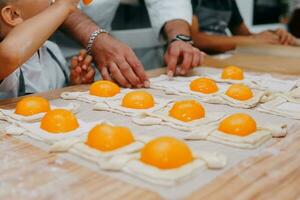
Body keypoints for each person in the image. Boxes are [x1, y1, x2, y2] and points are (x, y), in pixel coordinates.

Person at [55, 0, 204, 88]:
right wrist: (96, 39)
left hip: (100, 61)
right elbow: (49, 4)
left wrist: (179, 37)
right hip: (43, 57)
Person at [0, 0, 95, 99]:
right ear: (13, 15)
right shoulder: (8, 67)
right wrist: (64, 4)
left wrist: (74, 85)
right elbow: (9, 55)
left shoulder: (51, 49)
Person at [191, 0, 296, 54]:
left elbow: (244, 35)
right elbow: (195, 39)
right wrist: (252, 41)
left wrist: (273, 34)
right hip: (198, 59)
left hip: (223, 57)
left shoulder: (228, 2)